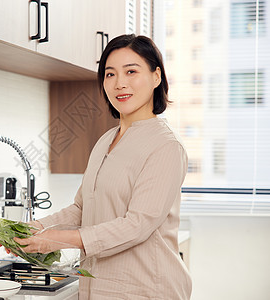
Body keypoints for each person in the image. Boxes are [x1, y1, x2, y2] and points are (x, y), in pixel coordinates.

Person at [13, 34, 192, 299]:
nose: (120, 83)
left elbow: (137, 225)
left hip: (146, 289)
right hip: (100, 286)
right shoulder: (106, 140)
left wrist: (57, 240)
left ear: (156, 77)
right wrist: (34, 230)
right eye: (110, 74)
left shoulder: (165, 146)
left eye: (131, 71)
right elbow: (82, 208)